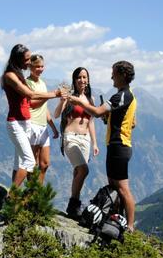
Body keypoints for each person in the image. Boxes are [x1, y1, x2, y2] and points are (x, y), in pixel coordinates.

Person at [66, 61, 136, 229]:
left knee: (123, 189)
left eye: (114, 73)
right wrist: (110, 119)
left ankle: (130, 226)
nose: (111, 76)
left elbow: (97, 113)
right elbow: (133, 122)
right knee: (114, 187)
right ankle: (116, 220)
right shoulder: (128, 95)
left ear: (122, 75)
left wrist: (78, 101)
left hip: (119, 146)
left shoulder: (121, 96)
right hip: (117, 146)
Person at [1, 44, 64, 187]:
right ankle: (12, 196)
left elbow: (37, 102)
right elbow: (30, 95)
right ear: (18, 59)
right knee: (29, 161)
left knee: (19, 164)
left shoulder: (18, 75)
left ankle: (16, 200)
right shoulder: (10, 76)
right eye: (27, 59)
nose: (30, 62)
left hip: (26, 122)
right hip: (16, 122)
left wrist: (52, 126)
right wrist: (54, 94)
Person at [53, 67, 99, 217]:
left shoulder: (90, 99)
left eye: (85, 77)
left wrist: (95, 143)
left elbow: (90, 121)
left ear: (88, 80)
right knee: (84, 170)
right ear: (74, 80)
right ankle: (74, 203)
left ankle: (73, 207)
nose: (82, 80)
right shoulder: (70, 97)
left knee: (78, 171)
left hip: (85, 139)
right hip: (71, 137)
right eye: (79, 77)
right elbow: (56, 114)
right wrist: (62, 101)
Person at [25, 54, 60, 184]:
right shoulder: (27, 83)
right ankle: (31, 192)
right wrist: (51, 95)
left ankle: (38, 192)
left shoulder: (43, 83)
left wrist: (53, 128)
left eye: (42, 66)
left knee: (44, 163)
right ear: (30, 67)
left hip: (43, 126)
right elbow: (32, 103)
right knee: (32, 164)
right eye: (37, 66)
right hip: (32, 124)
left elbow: (44, 108)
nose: (40, 69)